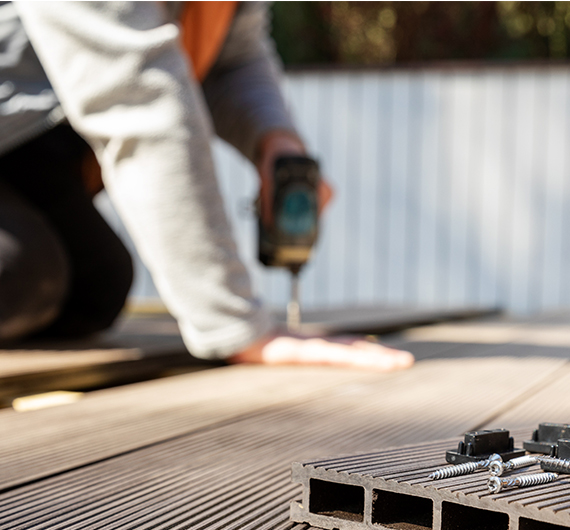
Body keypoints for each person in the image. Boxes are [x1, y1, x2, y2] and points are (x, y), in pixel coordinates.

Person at [0, 1, 414, 372]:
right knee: (19, 270)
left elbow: (232, 55)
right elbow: (136, 94)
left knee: (94, 287)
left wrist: (274, 139)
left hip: (29, 154)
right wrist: (235, 324)